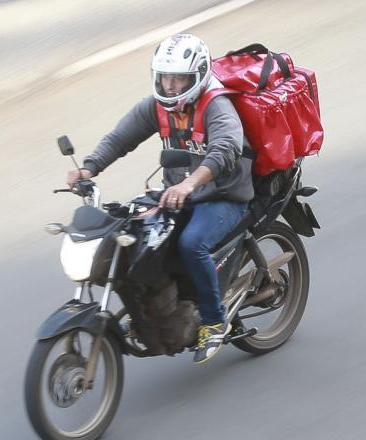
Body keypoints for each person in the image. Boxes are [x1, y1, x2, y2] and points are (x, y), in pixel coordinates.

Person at [66, 34, 254, 363]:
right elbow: (121, 137)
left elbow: (225, 149)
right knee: (135, 238)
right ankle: (154, 311)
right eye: (165, 77)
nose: (170, 85)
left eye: (179, 77)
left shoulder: (216, 106)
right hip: (176, 193)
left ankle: (213, 320)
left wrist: (191, 184)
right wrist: (89, 168)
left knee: (190, 243)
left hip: (223, 195)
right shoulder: (157, 106)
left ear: (196, 77)